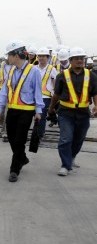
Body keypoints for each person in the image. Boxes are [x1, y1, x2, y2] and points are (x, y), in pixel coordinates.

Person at [0, 41, 44, 183]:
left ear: (16, 55)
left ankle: (14, 169)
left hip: (26, 111)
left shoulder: (34, 71)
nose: (7, 59)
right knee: (11, 138)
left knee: (19, 140)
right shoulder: (11, 70)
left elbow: (38, 92)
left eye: (9, 55)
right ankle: (22, 158)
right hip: (12, 110)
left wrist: (38, 111)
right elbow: (4, 91)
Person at [48, 47, 97, 176]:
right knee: (66, 138)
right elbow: (56, 95)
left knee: (78, 139)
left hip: (83, 113)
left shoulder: (91, 75)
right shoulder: (61, 76)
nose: (80, 61)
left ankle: (71, 157)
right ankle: (65, 165)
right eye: (77, 58)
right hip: (65, 112)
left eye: (82, 58)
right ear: (71, 60)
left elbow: (95, 93)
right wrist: (51, 108)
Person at [36, 47, 57, 139]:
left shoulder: (52, 69)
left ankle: (39, 135)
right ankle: (38, 132)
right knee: (35, 115)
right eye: (39, 56)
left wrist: (55, 95)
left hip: (46, 96)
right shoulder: (34, 68)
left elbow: (55, 83)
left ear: (47, 57)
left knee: (41, 115)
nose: (41, 58)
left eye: (43, 56)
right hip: (34, 96)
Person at [0, 56, 12, 142]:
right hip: (1, 92)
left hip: (11, 92)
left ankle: (5, 132)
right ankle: (4, 127)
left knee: (7, 113)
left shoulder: (15, 66)